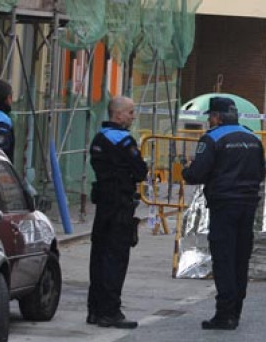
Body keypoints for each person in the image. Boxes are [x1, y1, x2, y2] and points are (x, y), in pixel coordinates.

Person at [182, 97, 266, 330]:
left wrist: (185, 168)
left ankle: (225, 313)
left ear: (218, 117)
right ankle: (236, 309)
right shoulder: (253, 139)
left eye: (210, 116)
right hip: (248, 205)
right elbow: (261, 172)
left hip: (224, 205)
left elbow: (196, 174)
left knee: (224, 258)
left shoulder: (212, 138)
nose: (210, 120)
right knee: (241, 258)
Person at [86, 96, 147, 329]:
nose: (133, 116)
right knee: (115, 257)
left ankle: (94, 310)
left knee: (99, 257)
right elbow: (140, 171)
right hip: (120, 205)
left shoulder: (99, 139)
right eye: (130, 112)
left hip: (102, 205)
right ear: (118, 114)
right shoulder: (124, 141)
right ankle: (110, 312)